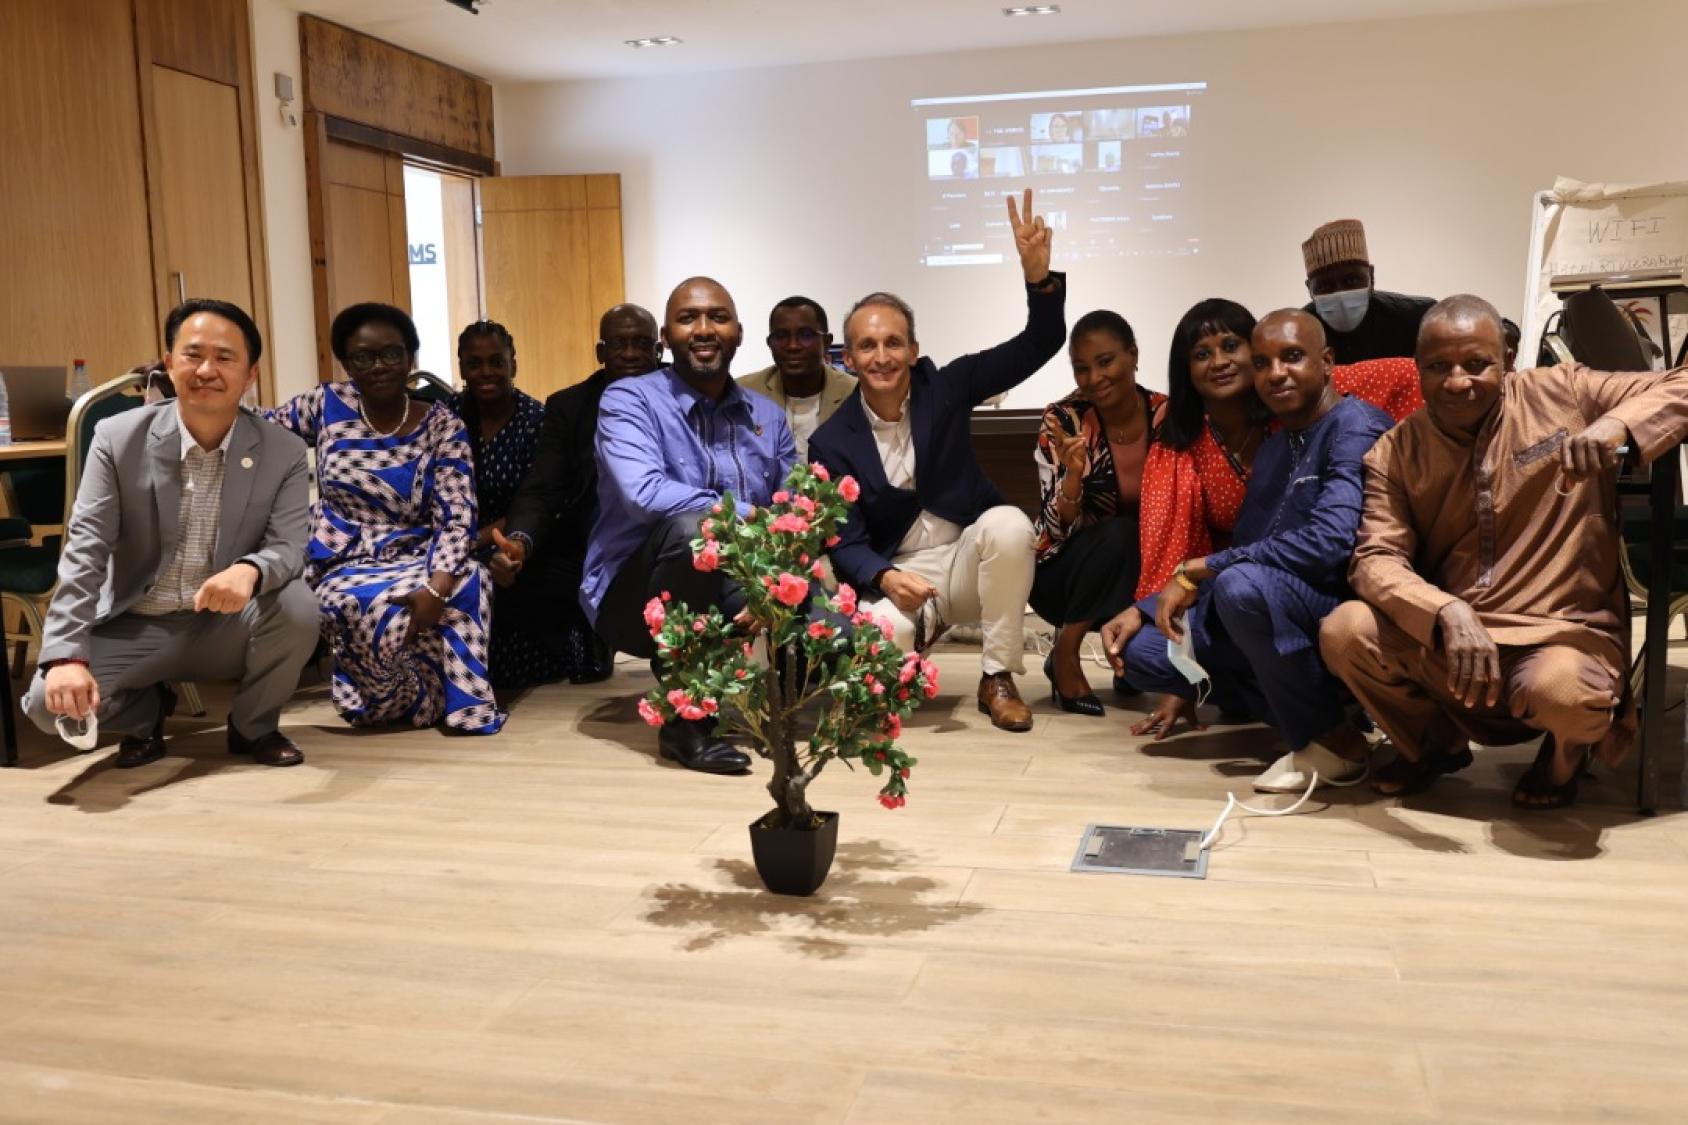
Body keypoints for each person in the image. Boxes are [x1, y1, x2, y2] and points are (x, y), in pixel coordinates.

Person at [1321, 295, 1688, 808]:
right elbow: (1375, 558)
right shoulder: (1395, 452)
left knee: (1561, 690)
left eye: (1476, 365)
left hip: (1562, 633)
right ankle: (1434, 745)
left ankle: (1562, 759)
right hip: (1459, 643)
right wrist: (1444, 609)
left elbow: (1682, 381)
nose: (1456, 382)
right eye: (1437, 366)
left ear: (1507, 360)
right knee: (1346, 630)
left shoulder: (1563, 392)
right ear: (1417, 367)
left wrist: (1615, 425)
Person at [1103, 310, 1392, 792]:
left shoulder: (1353, 426)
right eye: (1263, 363)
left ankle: (1332, 741)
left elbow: (1331, 545)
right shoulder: (1280, 446)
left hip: (1334, 609)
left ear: (1327, 362)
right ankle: (1306, 708)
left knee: (1240, 588)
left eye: (1293, 357)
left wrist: (1200, 567)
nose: (1276, 373)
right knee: (1144, 651)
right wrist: (1148, 605)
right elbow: (1251, 546)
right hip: (1273, 608)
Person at [22, 299, 318, 768]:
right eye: (192, 355)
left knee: (299, 607)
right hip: (134, 621)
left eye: (224, 358)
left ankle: (252, 727)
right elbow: (85, 550)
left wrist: (249, 570)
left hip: (225, 624)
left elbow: (289, 547)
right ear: (168, 364)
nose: (206, 370)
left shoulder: (282, 449)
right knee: (44, 706)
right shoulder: (117, 438)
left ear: (251, 373)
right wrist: (64, 658)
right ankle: (147, 713)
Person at [808, 189, 1063, 733]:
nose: (883, 357)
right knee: (880, 692)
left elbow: (1039, 341)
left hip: (967, 560)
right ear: (847, 358)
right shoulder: (831, 443)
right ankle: (911, 637)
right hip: (898, 575)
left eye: (894, 343)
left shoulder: (946, 387)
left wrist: (1038, 279)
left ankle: (997, 677)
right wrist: (886, 576)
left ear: (914, 349)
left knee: (1011, 526)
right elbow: (845, 541)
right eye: (868, 346)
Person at [585, 278, 797, 774]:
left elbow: (794, 515)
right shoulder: (627, 401)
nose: (704, 329)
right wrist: (746, 514)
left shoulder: (768, 416)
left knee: (833, 634)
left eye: (718, 317)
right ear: (665, 336)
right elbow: (645, 495)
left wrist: (772, 588)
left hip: (734, 581)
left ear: (739, 332)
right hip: (631, 598)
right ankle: (687, 723)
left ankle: (770, 706)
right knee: (695, 529)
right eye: (688, 319)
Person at [267, 303, 505, 735]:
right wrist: (178, 394)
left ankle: (464, 709)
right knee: (371, 602)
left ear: (410, 358)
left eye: (392, 354)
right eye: (363, 357)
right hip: (344, 561)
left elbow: (457, 515)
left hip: (419, 551)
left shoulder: (442, 425)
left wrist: (437, 585)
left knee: (472, 580)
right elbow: (257, 431)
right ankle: (395, 697)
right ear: (346, 363)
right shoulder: (324, 405)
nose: (379, 366)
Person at [487, 304, 665, 686]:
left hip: (664, 536)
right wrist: (518, 541)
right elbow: (542, 488)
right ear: (601, 353)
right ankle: (589, 630)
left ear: (659, 350)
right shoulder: (569, 406)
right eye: (618, 343)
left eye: (641, 343)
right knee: (514, 576)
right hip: (591, 544)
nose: (631, 353)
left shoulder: (685, 396)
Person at [1031, 310, 1163, 717]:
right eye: (1082, 368)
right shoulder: (1064, 421)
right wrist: (1072, 477)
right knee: (1122, 532)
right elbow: (1054, 529)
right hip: (1063, 576)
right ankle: (1066, 654)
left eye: (1105, 362)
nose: (1094, 378)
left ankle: (1130, 660)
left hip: (1142, 575)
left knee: (1143, 535)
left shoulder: (1166, 417)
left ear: (1133, 355)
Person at [446, 320, 558, 691]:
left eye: (497, 361)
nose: (486, 372)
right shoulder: (446, 417)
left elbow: (538, 499)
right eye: (474, 363)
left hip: (512, 538)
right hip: (450, 538)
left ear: (513, 364)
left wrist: (477, 540)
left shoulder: (537, 420)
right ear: (461, 368)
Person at [736, 297, 856, 459]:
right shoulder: (745, 393)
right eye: (781, 336)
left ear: (826, 342)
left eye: (806, 335)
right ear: (770, 344)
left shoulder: (855, 393)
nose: (793, 345)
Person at [1301, 219, 1435, 363]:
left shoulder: (1417, 318)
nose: (1340, 294)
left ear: (1371, 276)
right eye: (1325, 286)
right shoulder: (1300, 334)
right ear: (1310, 289)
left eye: (1351, 281)